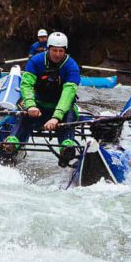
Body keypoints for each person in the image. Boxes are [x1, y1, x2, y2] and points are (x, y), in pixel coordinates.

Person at [6, 31, 80, 166]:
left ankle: (67, 148)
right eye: (54, 50)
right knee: (24, 112)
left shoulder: (72, 66)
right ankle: (12, 144)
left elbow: (68, 93)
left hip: (62, 110)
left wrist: (56, 117)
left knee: (70, 114)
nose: (57, 54)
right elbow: (26, 85)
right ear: (48, 49)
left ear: (65, 51)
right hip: (38, 106)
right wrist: (30, 105)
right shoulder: (35, 61)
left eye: (61, 51)